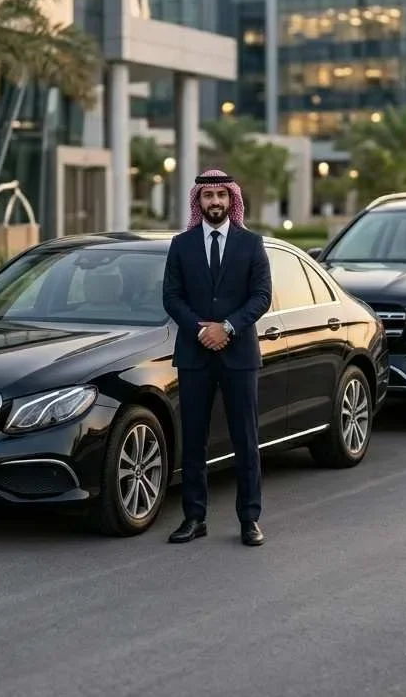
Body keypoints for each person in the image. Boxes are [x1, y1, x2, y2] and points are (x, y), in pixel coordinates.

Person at [162, 169, 273, 546]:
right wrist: (200, 330)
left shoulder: (251, 244)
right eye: (207, 196)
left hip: (238, 355)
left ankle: (249, 520)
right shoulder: (181, 244)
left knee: (245, 440)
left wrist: (225, 327)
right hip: (194, 356)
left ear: (231, 199)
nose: (215, 202)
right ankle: (194, 518)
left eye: (221, 196)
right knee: (193, 441)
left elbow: (261, 296)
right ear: (198, 201)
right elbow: (171, 297)